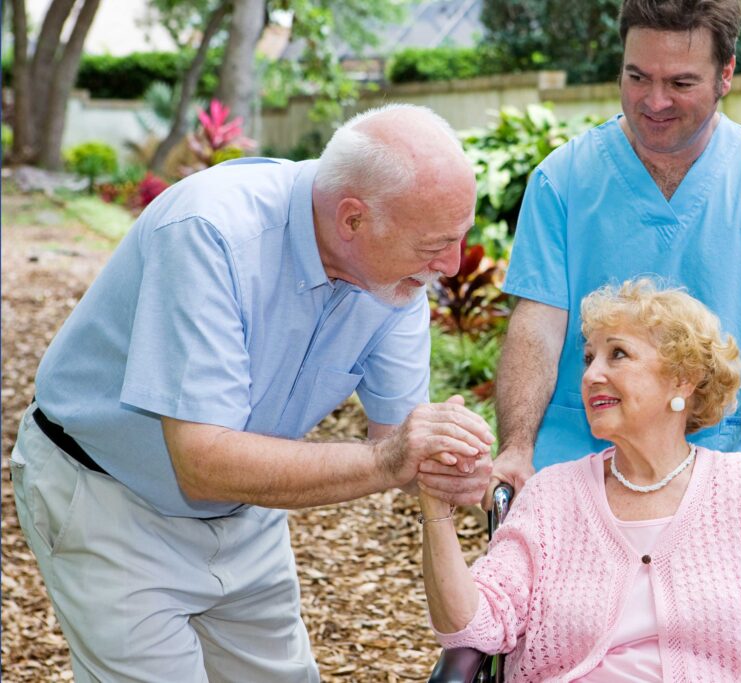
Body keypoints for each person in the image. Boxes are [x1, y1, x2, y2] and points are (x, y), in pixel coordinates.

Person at [10, 104, 495, 682]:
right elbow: (203, 462)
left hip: (245, 508)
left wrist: (453, 467)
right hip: (107, 496)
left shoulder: (396, 279)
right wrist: (393, 460)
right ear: (353, 220)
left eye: (460, 238)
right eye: (433, 244)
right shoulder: (210, 230)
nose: (450, 264)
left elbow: (400, 441)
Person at [490, 0, 741, 516]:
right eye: (637, 77)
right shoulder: (562, 181)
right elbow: (536, 325)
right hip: (576, 478)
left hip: (722, 480)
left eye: (681, 84)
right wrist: (515, 449)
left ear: (725, 74)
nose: (654, 101)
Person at [421, 279, 741, 681]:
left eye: (617, 355)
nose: (591, 375)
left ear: (683, 381)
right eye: (589, 359)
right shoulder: (551, 497)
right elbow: (472, 628)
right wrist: (435, 509)